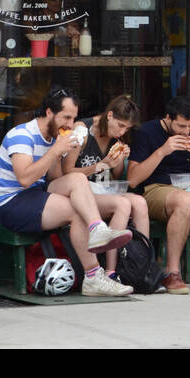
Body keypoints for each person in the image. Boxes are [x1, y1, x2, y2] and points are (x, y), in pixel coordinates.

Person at [0, 85, 135, 297]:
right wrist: (55, 151)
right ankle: (94, 275)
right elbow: (25, 179)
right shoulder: (22, 135)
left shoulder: (54, 137)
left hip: (38, 194)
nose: (70, 124)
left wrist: (61, 152)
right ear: (49, 112)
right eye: (66, 118)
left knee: (76, 179)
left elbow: (55, 178)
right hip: (11, 202)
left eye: (73, 118)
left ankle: (97, 231)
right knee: (76, 211)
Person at [127, 96, 190, 294]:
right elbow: (133, 179)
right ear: (168, 118)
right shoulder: (147, 132)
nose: (187, 131)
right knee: (185, 200)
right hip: (156, 188)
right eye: (181, 126)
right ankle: (172, 273)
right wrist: (163, 151)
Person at [62, 94, 150, 277]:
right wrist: (102, 165)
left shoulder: (116, 138)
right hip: (80, 195)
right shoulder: (82, 131)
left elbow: (116, 175)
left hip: (102, 191)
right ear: (109, 115)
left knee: (140, 202)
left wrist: (119, 159)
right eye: (120, 125)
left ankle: (142, 266)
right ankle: (111, 270)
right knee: (123, 204)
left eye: (127, 128)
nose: (122, 132)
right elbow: (66, 172)